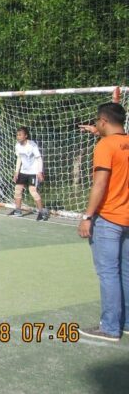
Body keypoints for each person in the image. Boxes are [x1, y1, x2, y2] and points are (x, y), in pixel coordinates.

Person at [76, 102, 129, 342]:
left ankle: (109, 327)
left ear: (104, 121)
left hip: (109, 217)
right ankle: (125, 322)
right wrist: (99, 132)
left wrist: (87, 216)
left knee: (108, 272)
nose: (95, 125)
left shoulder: (105, 146)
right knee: (125, 271)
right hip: (127, 217)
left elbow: (100, 184)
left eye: (97, 121)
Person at [8, 126, 49, 221]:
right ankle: (18, 211)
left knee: (32, 191)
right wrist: (16, 172)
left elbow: (39, 158)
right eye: (17, 135)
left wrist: (39, 172)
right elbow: (19, 158)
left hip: (33, 172)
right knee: (17, 190)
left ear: (25, 136)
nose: (18, 137)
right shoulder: (17, 146)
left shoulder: (32, 145)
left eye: (20, 135)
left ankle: (42, 213)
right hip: (23, 171)